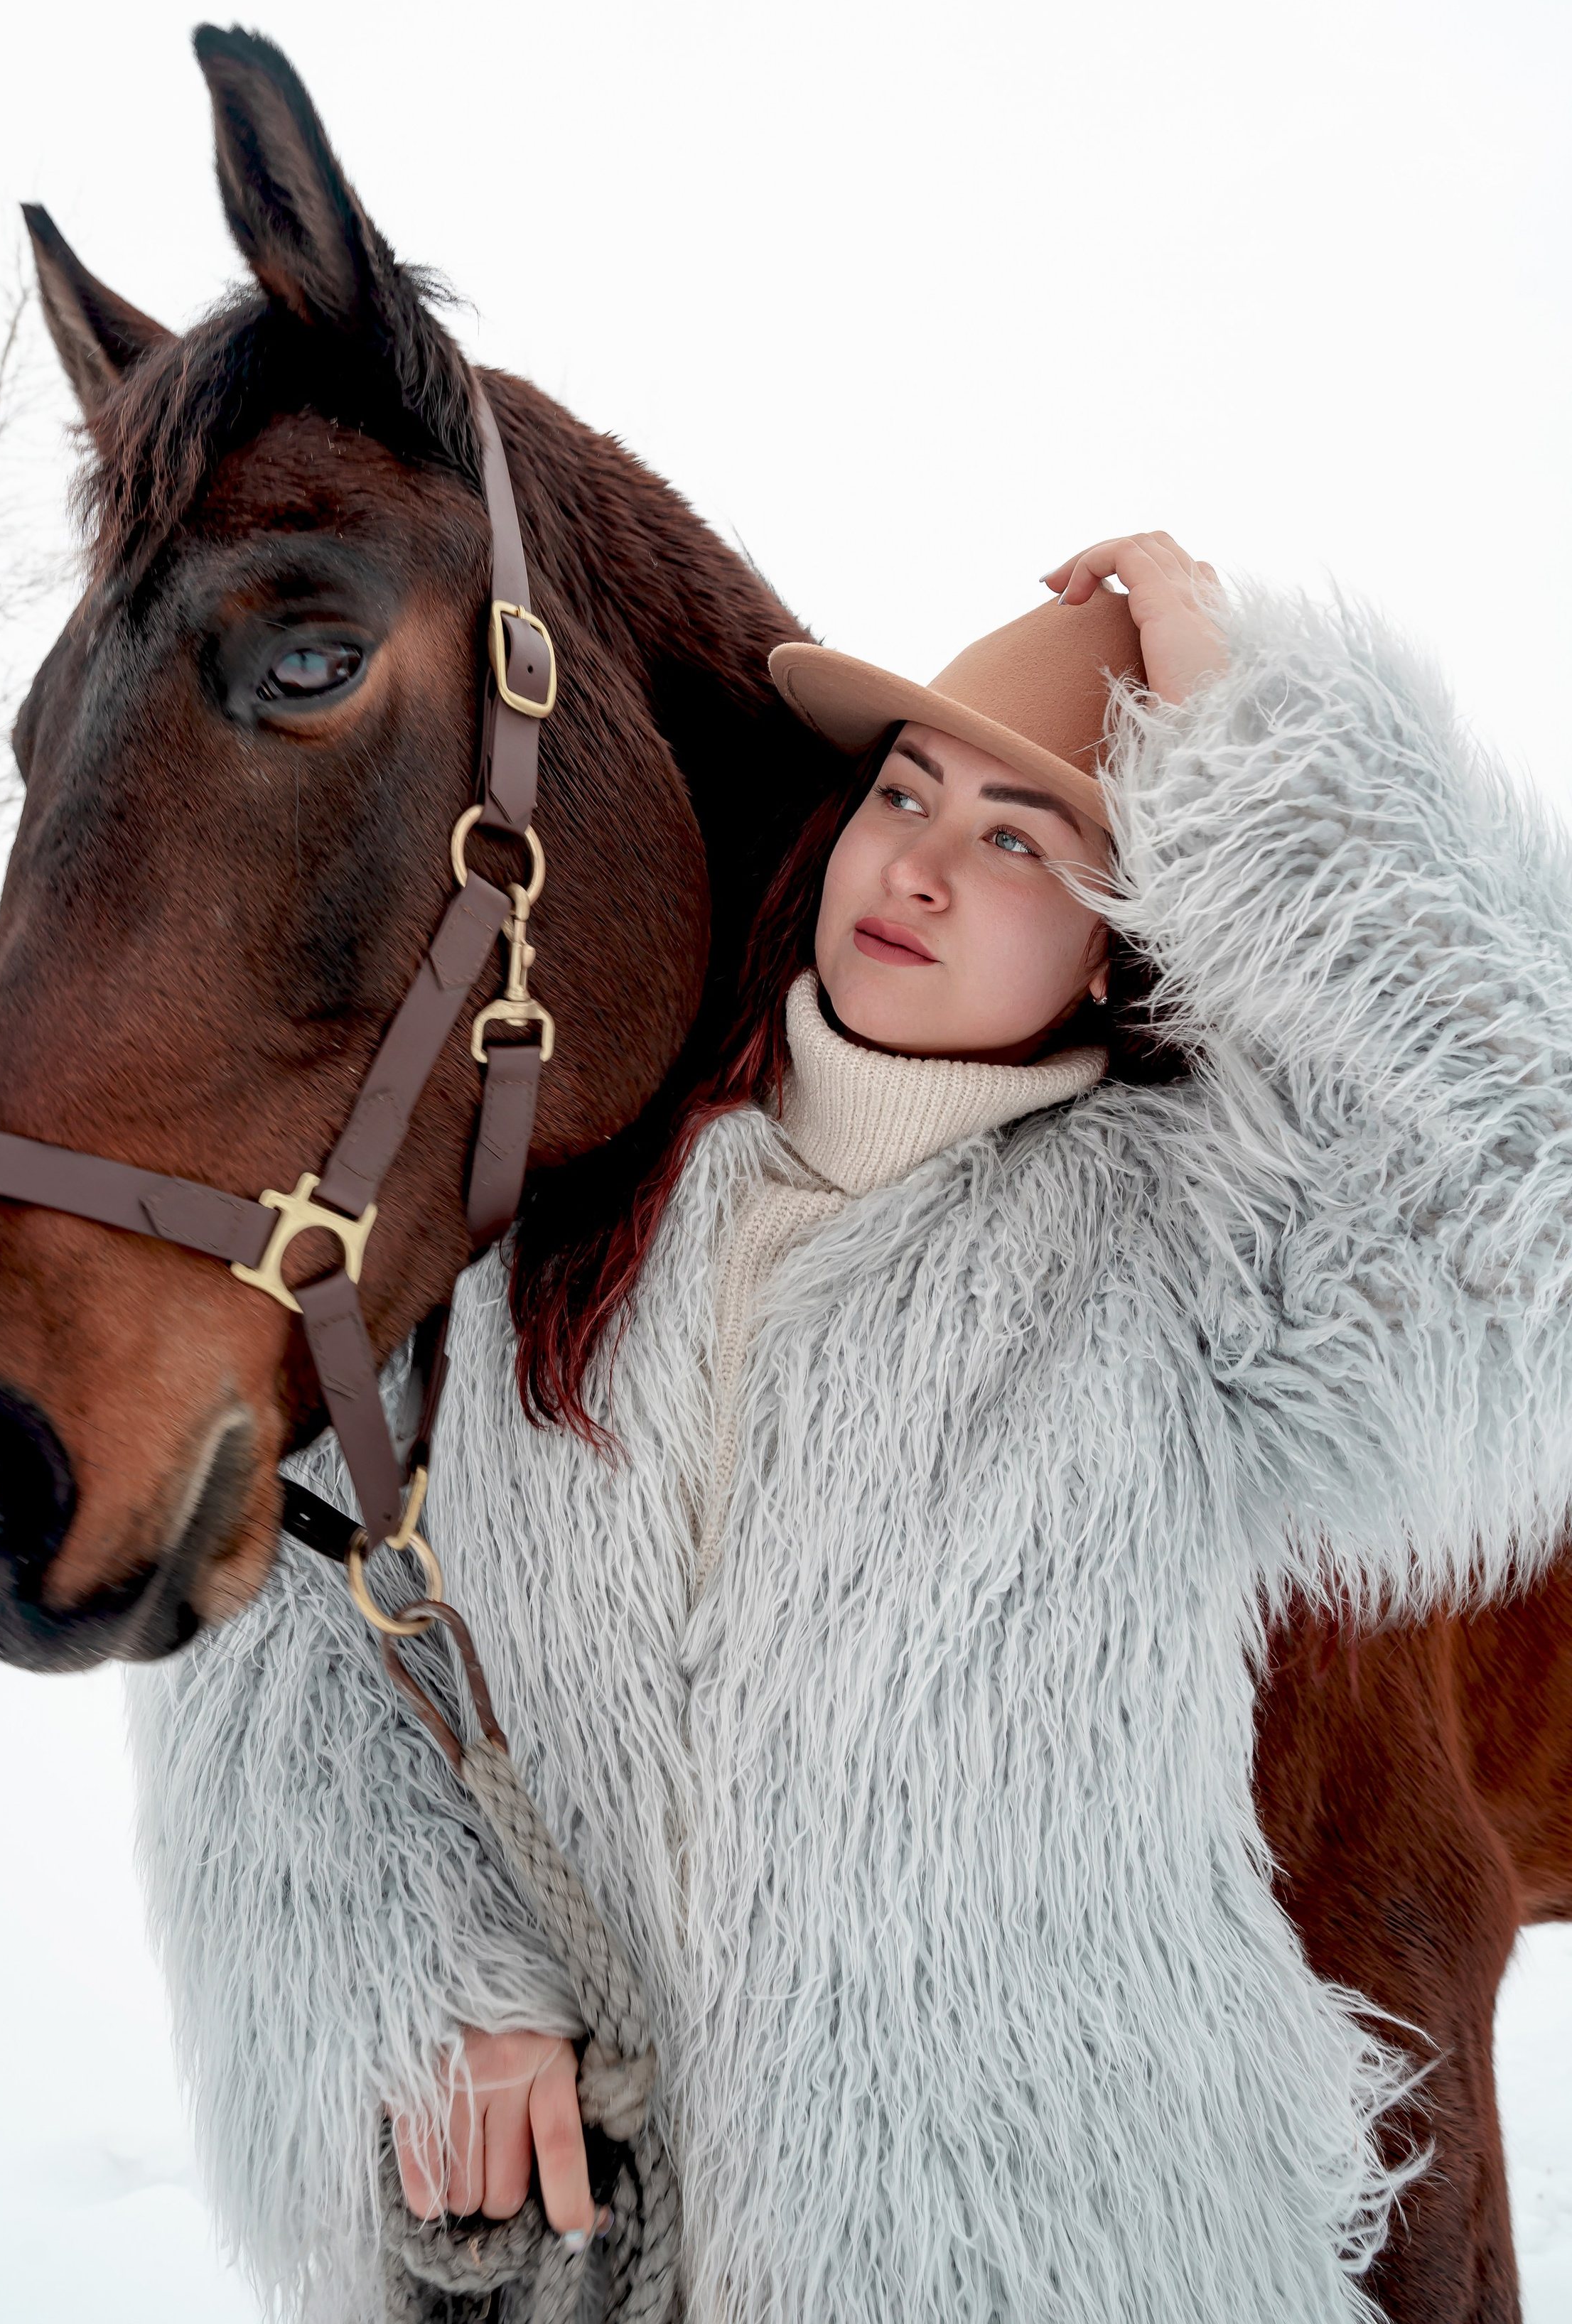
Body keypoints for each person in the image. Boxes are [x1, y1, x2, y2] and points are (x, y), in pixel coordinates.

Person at [131, 534, 1572, 2324]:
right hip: (604, 2262)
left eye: (1021, 840)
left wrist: (1262, 732)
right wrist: (426, 1985)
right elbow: (281, 1586)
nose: (923, 866)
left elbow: (1529, 1217)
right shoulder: (568, 1201)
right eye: (909, 790)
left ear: (1138, 930)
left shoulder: (1200, 1274)